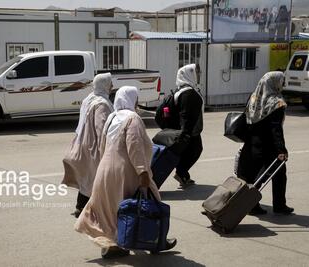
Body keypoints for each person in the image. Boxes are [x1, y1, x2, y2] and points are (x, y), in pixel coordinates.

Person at [75, 86, 177, 259]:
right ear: (132, 100)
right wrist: (142, 172)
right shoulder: (133, 118)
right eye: (136, 100)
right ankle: (157, 240)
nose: (137, 104)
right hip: (126, 171)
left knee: (111, 209)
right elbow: (135, 146)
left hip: (105, 169)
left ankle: (114, 244)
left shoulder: (112, 117)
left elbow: (102, 145)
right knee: (151, 202)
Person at [237, 71, 294, 215]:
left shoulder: (254, 97)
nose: (283, 84)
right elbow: (276, 129)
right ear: (275, 83)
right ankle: (279, 206)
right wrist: (281, 150)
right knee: (279, 175)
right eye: (281, 81)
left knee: (253, 176)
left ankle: (252, 205)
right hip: (268, 146)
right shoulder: (277, 102)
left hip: (251, 144)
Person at [62, 73, 114, 218]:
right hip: (94, 145)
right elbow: (101, 127)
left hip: (83, 140)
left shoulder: (89, 98)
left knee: (88, 177)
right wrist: (105, 147)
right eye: (110, 83)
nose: (112, 86)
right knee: (96, 177)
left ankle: (81, 207)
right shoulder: (101, 104)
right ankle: (96, 211)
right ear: (104, 85)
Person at [172, 64, 204, 188]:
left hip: (189, 129)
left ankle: (183, 174)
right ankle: (181, 173)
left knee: (190, 152)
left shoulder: (182, 90)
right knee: (195, 150)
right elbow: (185, 114)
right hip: (190, 131)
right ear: (189, 74)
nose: (198, 74)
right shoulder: (188, 93)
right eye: (196, 72)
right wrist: (185, 133)